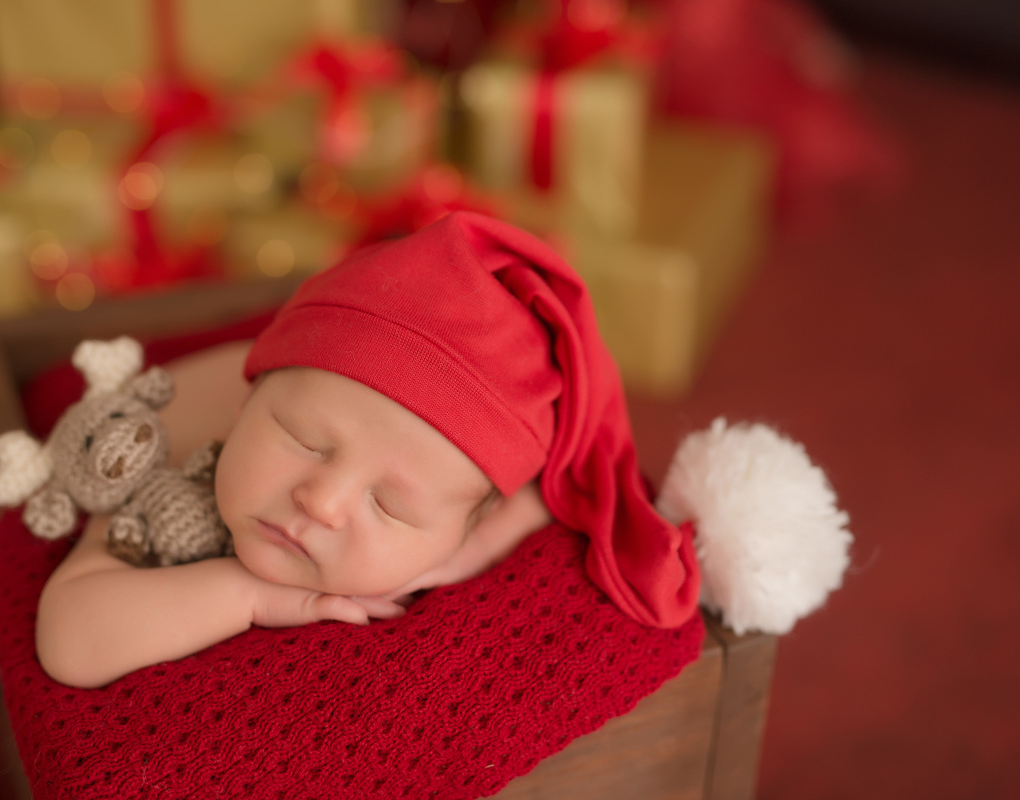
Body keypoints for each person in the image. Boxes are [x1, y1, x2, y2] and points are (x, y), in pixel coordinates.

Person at [35, 211, 700, 689]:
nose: (321, 502)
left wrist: (461, 552)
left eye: (391, 506)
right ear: (246, 409)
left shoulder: (471, 511)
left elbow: (534, 504)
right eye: (303, 440)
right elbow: (71, 639)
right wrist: (248, 594)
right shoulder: (177, 459)